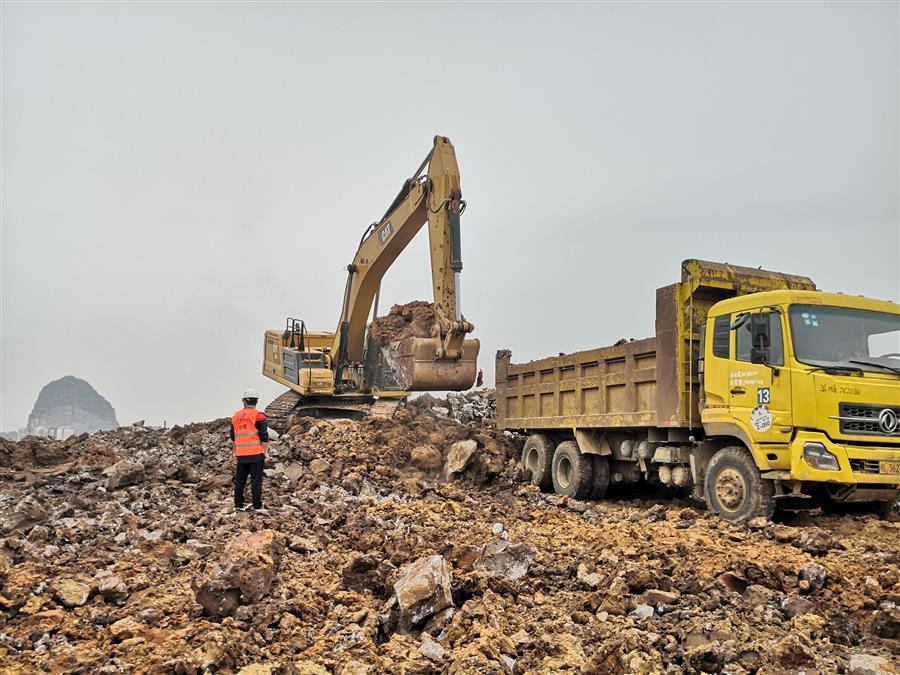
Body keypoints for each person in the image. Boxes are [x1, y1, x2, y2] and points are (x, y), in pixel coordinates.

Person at [230, 388, 268, 512]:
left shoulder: (235, 416)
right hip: (256, 454)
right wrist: (265, 452)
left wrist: (234, 451)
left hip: (241, 455)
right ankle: (257, 506)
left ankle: (238, 505)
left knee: (240, 480)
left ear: (244, 401)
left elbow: (233, 436)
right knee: (256, 481)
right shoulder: (259, 416)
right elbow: (264, 435)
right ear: (256, 401)